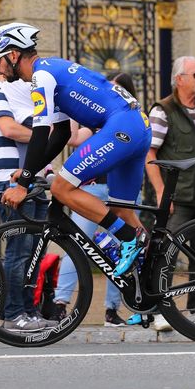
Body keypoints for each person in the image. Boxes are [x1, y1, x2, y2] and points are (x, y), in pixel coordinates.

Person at [0, 23, 152, 280]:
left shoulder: (40, 77)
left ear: (12, 54)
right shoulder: (52, 70)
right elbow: (61, 134)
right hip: (137, 126)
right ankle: (152, 291)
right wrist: (29, 173)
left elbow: (40, 133)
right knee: (123, 211)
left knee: (61, 188)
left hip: (121, 127)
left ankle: (128, 240)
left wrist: (23, 185)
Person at [53, 72, 141, 329]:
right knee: (76, 243)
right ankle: (60, 302)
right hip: (90, 191)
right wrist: (66, 107)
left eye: (117, 89)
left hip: (117, 191)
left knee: (122, 249)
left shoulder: (129, 119)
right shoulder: (98, 117)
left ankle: (113, 309)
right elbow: (74, 138)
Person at [145, 56, 195, 331]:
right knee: (164, 252)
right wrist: (160, 192)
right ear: (179, 79)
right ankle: (158, 311)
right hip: (176, 197)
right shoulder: (162, 110)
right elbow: (150, 153)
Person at [0, 62, 56, 331]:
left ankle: (29, 311)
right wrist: (44, 139)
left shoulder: (23, 98)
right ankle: (12, 314)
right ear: (2, 72)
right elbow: (10, 130)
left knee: (34, 252)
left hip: (34, 182)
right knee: (19, 253)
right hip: (9, 184)